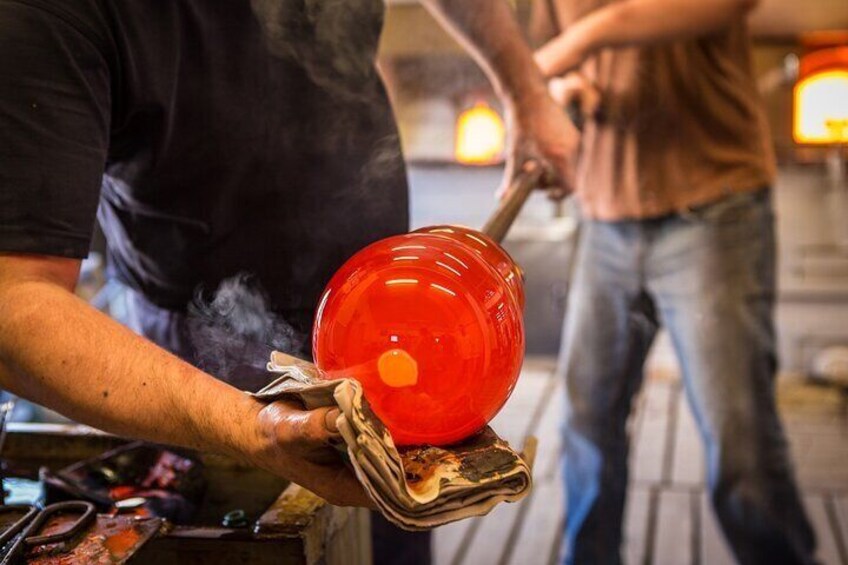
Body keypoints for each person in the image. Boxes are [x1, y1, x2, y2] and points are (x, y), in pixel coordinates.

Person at [0, 0, 576, 562]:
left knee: (396, 533)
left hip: (380, 301)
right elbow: (13, 302)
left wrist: (525, 93)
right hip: (195, 357)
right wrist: (254, 428)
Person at [531, 0, 818, 563]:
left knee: (741, 441)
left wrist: (588, 37)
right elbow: (553, 61)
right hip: (605, 217)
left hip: (714, 208)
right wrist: (568, 87)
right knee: (587, 424)